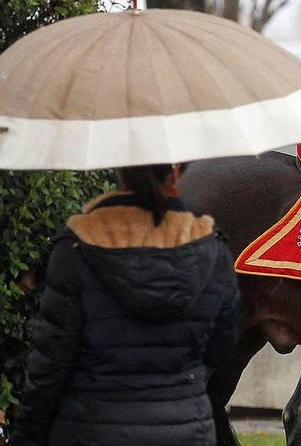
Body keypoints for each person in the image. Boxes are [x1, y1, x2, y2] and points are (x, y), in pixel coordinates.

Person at [9, 164, 239, 445]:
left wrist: (26, 436)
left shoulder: (76, 247)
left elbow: (51, 363)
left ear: (120, 171)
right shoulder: (212, 250)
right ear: (175, 174)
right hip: (184, 430)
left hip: (89, 429)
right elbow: (222, 344)